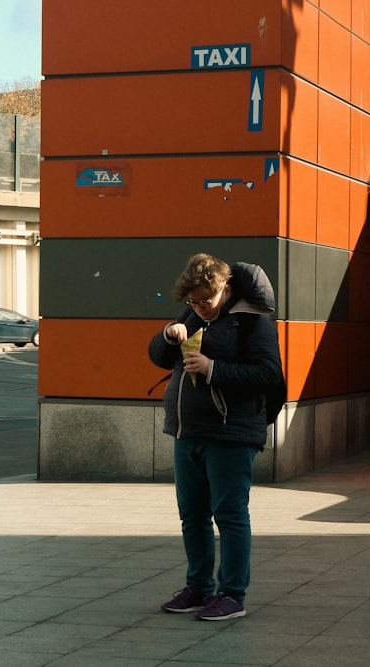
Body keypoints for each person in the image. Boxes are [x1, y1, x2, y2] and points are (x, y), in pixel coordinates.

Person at [148, 253, 283, 621]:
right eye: (192, 302)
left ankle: (232, 594)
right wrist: (167, 335)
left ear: (224, 288)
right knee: (192, 514)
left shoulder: (253, 321)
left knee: (229, 514)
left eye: (205, 300)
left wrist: (213, 368)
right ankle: (199, 587)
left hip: (231, 434)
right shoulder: (192, 315)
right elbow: (159, 357)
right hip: (187, 431)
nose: (199, 308)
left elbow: (269, 373)